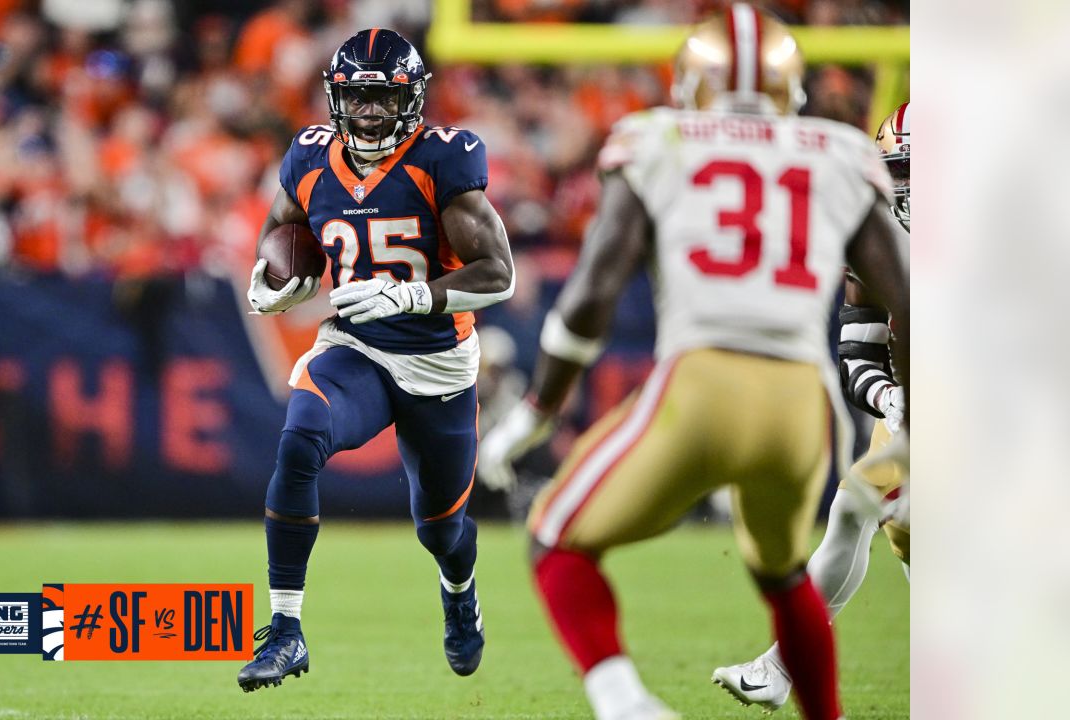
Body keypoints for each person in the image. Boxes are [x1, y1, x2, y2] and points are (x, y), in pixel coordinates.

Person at [477, 6, 908, 720]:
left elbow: (591, 297)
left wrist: (534, 412)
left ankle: (625, 704)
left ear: (691, 85)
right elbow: (908, 307)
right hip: (803, 405)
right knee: (782, 575)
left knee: (555, 535)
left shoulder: (656, 139)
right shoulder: (839, 151)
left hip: (702, 382)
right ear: (789, 89)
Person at [236, 28, 515, 692]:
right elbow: (279, 237)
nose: (368, 110)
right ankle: (285, 630)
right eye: (356, 96)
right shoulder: (306, 157)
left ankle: (458, 590)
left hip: (438, 363)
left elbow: (498, 271)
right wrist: (267, 284)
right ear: (335, 98)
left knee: (443, 528)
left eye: (381, 97)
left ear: (411, 99)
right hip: (355, 346)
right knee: (300, 440)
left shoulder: (444, 159)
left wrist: (412, 293)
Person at [711, 101, 911, 713]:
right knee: (872, 517)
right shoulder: (880, 244)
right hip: (919, 414)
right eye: (896, 172)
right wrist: (891, 398)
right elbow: (858, 352)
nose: (902, 190)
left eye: (914, 173)